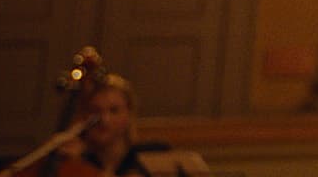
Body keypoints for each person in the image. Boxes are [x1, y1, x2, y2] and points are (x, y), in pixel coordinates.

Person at [46, 74, 207, 176]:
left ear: (129, 114)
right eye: (95, 111)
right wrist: (75, 164)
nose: (104, 120)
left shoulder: (154, 153)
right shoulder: (78, 161)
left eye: (114, 111)